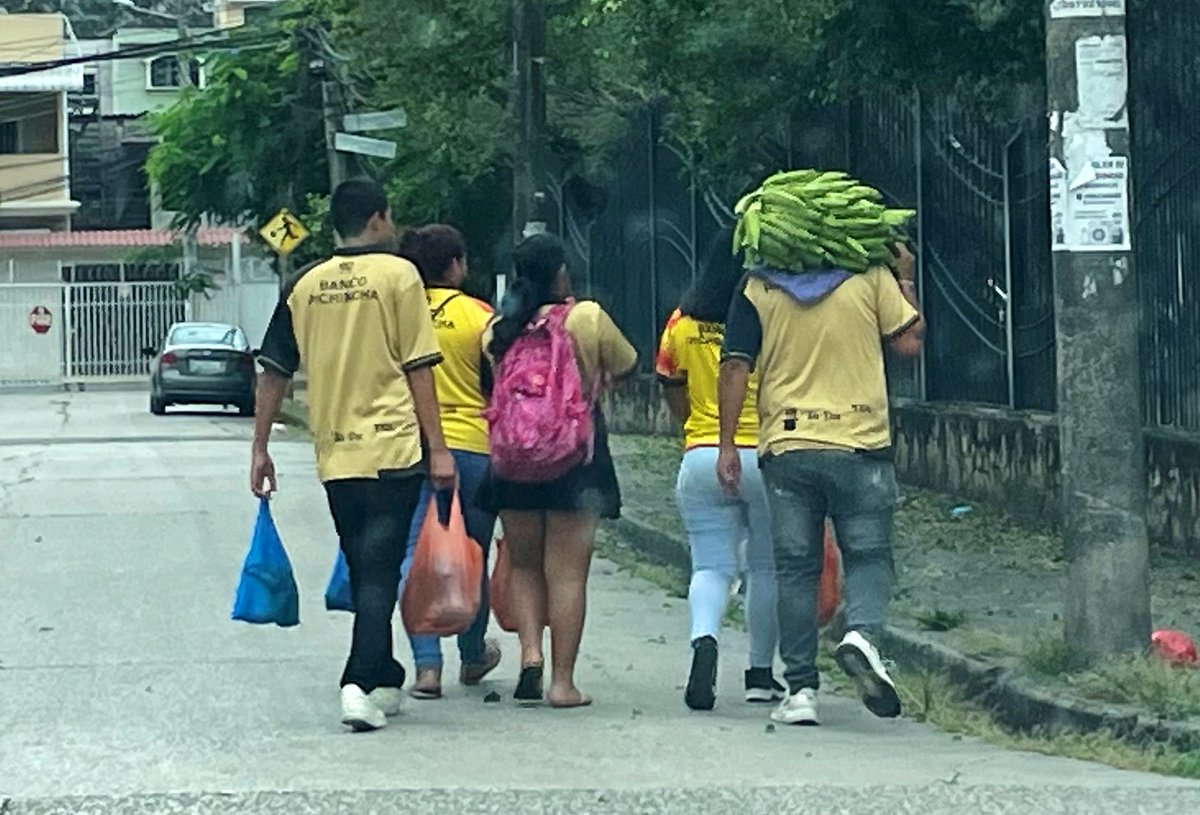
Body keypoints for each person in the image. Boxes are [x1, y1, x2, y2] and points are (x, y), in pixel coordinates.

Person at [250, 179, 456, 732]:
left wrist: (261, 449)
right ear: (377, 219)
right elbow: (419, 366)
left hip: (335, 454)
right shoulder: (400, 276)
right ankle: (357, 681)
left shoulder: (304, 284)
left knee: (368, 564)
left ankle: (385, 674)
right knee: (379, 570)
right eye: (389, 217)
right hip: (394, 447)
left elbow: (273, 370)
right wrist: (439, 449)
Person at [717, 242, 924, 726]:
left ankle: (802, 690)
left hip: (789, 450)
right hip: (861, 445)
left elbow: (734, 366)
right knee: (869, 555)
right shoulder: (871, 276)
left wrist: (728, 444)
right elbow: (909, 342)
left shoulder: (758, 285)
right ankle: (862, 636)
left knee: (796, 569)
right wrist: (904, 277)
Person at [477, 233, 638, 708]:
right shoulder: (586, 318)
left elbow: (488, 385)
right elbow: (627, 364)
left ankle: (529, 655)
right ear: (562, 271)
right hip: (575, 459)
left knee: (524, 564)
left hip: (514, 461)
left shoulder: (497, 330)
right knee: (567, 574)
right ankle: (563, 683)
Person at [655, 234, 781, 711]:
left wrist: (691, 428)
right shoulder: (770, 315)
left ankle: (704, 640)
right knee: (765, 567)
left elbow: (670, 383)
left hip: (703, 456)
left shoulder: (681, 322)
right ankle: (760, 673)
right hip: (764, 455)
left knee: (710, 565)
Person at [396, 224, 501, 699]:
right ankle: (474, 652)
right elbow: (499, 377)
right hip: (477, 447)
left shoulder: (402, 312)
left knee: (416, 558)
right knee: (471, 555)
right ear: (456, 264)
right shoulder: (479, 314)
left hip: (416, 449)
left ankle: (426, 668)